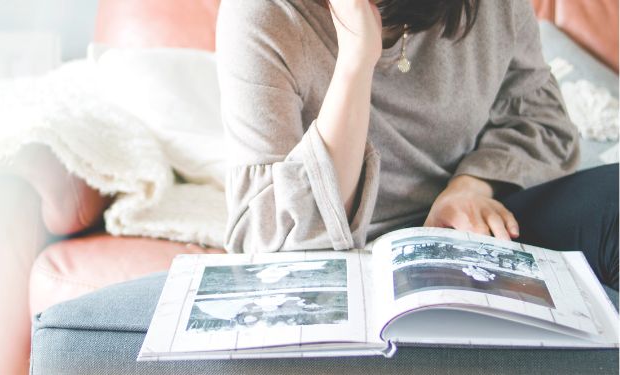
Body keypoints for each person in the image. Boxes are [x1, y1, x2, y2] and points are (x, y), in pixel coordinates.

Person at [216, 0, 618, 289]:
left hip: (477, 223)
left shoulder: (487, 8)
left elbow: (540, 119)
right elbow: (270, 242)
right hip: (351, 261)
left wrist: (471, 187)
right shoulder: (262, 15)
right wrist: (357, 59)